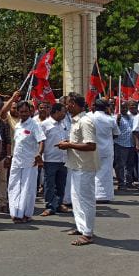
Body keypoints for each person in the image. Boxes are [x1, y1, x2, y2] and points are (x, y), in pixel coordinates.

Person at [58, 93, 98, 246]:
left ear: (73, 103)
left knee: (85, 200)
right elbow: (80, 141)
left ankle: (87, 233)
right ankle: (81, 227)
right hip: (76, 165)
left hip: (84, 166)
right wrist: (70, 142)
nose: (66, 106)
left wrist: (69, 145)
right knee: (76, 199)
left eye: (67, 103)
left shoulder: (85, 121)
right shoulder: (76, 121)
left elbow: (91, 145)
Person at [7, 98, 45, 223]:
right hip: (16, 161)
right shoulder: (18, 125)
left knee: (27, 189)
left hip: (30, 161)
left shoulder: (35, 125)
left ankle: (25, 214)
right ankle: (15, 212)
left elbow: (41, 141)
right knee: (13, 186)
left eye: (26, 111)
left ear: (30, 112)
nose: (23, 114)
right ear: (17, 112)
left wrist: (39, 154)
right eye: (21, 111)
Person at [39, 103, 70, 216]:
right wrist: (39, 156)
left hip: (63, 158)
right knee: (49, 184)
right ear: (56, 112)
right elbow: (40, 142)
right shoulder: (45, 125)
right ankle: (50, 206)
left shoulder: (64, 124)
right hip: (50, 159)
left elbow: (67, 138)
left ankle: (59, 203)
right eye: (63, 111)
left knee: (61, 184)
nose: (65, 114)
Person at [91, 99, 120, 202]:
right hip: (106, 149)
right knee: (105, 173)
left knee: (93, 172)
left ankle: (94, 195)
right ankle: (103, 195)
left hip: (92, 148)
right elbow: (116, 133)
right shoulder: (110, 119)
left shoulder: (89, 118)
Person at [113, 101, 135, 189]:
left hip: (130, 144)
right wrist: (117, 121)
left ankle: (129, 182)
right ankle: (121, 183)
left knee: (130, 165)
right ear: (119, 108)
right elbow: (114, 130)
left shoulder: (130, 117)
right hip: (120, 144)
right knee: (120, 165)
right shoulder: (116, 117)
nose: (125, 109)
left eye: (126, 107)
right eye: (123, 107)